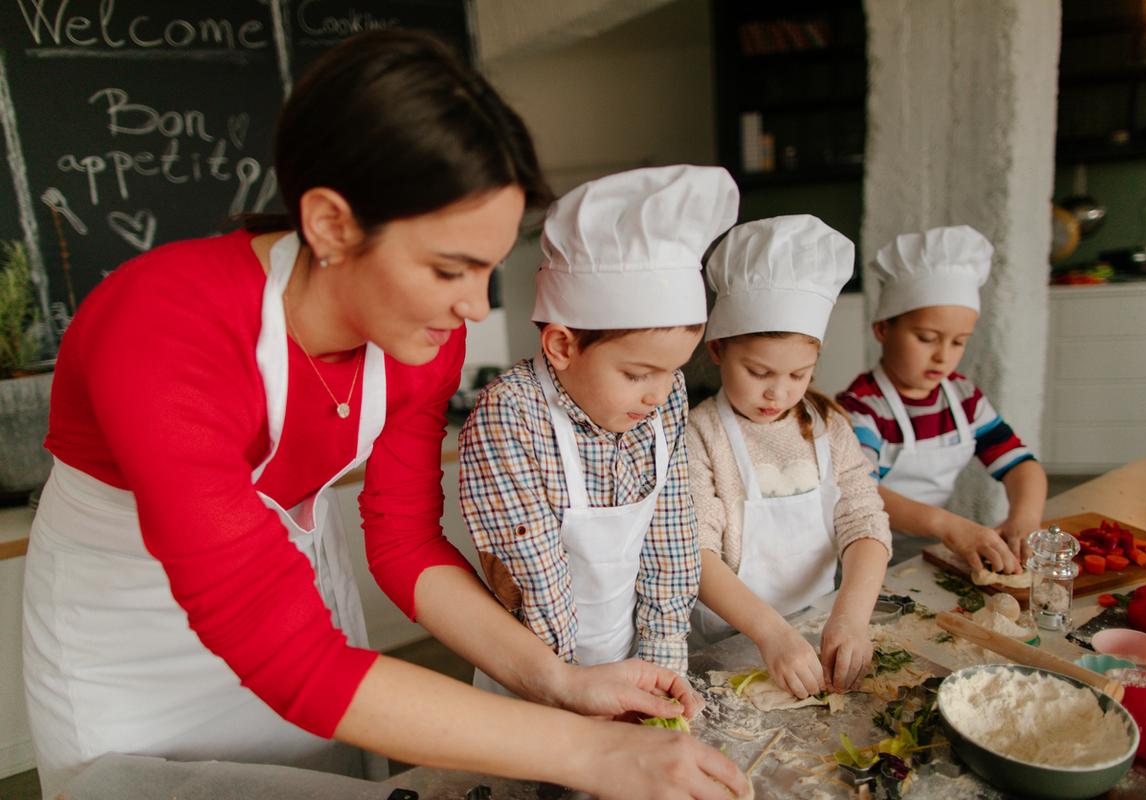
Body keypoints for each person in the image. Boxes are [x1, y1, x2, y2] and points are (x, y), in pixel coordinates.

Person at [22, 31, 748, 800]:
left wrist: (559, 680)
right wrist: (587, 753)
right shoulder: (165, 327)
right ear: (332, 224)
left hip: (300, 615)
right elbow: (289, 659)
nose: (474, 306)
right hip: (131, 638)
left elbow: (403, 541)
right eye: (448, 269)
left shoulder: (423, 341)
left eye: (487, 269)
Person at [459, 165, 739, 687]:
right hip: (535, 675)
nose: (658, 394)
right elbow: (533, 579)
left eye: (672, 371)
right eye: (637, 374)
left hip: (629, 657)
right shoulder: (512, 416)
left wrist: (659, 665)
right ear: (562, 346)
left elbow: (670, 536)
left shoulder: (664, 400)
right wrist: (574, 695)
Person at [687, 216, 892, 698]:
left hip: (820, 624)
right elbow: (695, 554)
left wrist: (851, 616)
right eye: (758, 371)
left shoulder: (829, 425)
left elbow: (865, 521)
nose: (779, 392)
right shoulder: (701, 434)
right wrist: (771, 633)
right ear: (718, 349)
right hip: (734, 640)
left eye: (800, 374)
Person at [836, 225, 1048, 573]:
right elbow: (862, 492)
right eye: (927, 338)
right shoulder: (862, 408)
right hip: (862, 555)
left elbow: (1021, 464)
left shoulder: (962, 398)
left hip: (929, 552)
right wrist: (949, 525)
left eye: (958, 342)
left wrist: (1023, 519)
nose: (942, 357)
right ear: (883, 329)